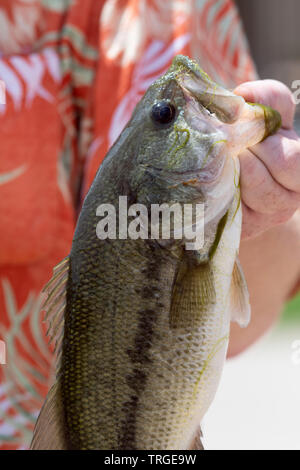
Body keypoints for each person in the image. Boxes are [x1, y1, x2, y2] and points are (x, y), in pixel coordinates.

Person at [0, 0, 299, 449]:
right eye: (166, 115)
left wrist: (265, 200)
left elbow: (244, 319)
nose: (177, 101)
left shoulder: (164, 10)